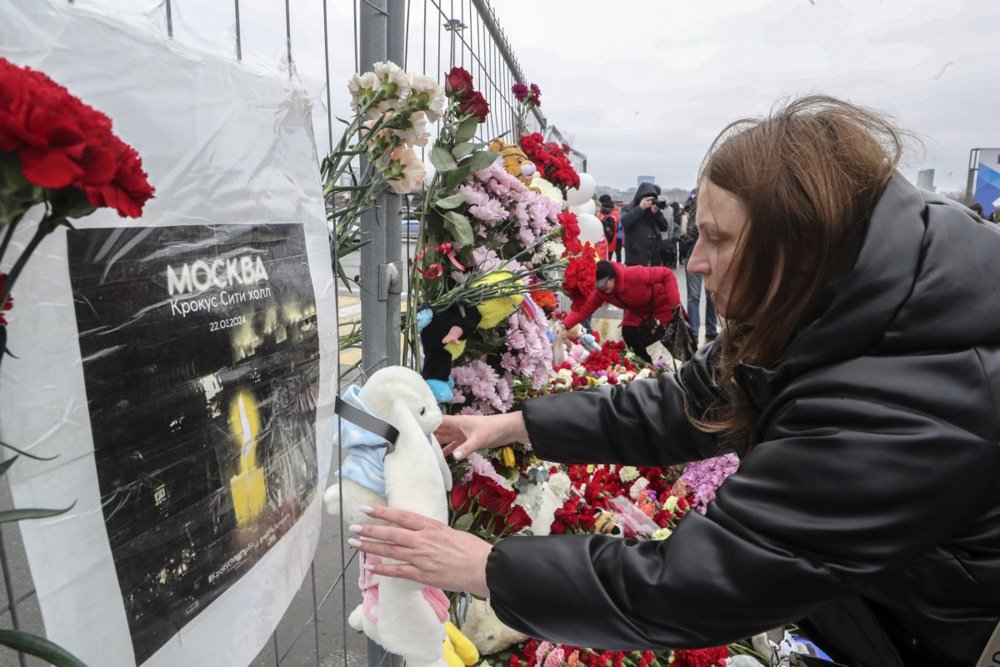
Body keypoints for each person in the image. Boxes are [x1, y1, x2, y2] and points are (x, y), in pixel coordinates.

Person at [349, 96, 1000, 667]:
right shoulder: (848, 300)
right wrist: (518, 425)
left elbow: (696, 586)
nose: (694, 260)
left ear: (797, 246)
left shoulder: (906, 393)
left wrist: (480, 565)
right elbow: (689, 399)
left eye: (716, 237)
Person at [560, 260, 681, 362]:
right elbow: (583, 310)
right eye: (599, 285)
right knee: (629, 332)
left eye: (604, 283)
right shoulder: (601, 293)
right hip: (639, 311)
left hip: (663, 305)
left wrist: (674, 304)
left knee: (674, 341)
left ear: (613, 277)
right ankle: (646, 365)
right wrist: (564, 325)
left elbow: (667, 274)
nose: (602, 287)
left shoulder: (634, 274)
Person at [681, 198, 719, 342]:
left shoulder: (694, 204)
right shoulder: (714, 204)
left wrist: (686, 242)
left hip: (694, 251)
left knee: (694, 296)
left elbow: (692, 231)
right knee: (710, 293)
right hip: (710, 252)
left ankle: (694, 331)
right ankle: (710, 328)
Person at [620, 182, 670, 266]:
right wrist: (640, 208)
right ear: (641, 198)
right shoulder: (629, 208)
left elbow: (664, 227)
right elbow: (625, 222)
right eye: (648, 199)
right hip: (635, 258)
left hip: (654, 258)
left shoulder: (653, 211)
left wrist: (657, 214)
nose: (650, 202)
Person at [597, 194, 621, 262]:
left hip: (601, 241)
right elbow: (618, 227)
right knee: (610, 259)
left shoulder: (599, 213)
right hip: (613, 240)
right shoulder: (615, 213)